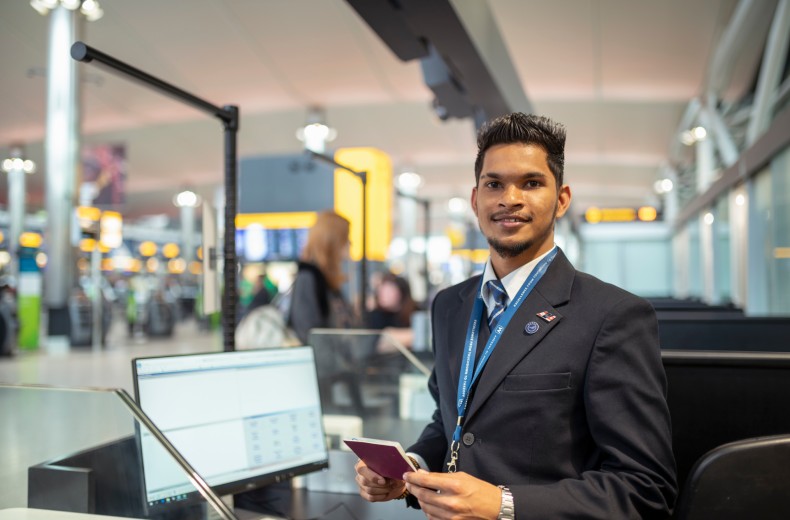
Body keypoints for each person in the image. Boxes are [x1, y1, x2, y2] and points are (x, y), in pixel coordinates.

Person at [354, 113, 677, 519]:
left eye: (531, 183)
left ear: (561, 199)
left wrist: (504, 505)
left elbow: (646, 487)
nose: (510, 198)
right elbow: (452, 421)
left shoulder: (612, 316)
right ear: (476, 200)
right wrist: (412, 468)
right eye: (494, 184)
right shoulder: (450, 305)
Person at [289, 211, 357, 344]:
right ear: (332, 241)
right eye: (346, 237)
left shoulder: (325, 280)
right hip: (326, 363)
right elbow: (310, 334)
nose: (350, 243)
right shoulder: (309, 278)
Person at [366, 272, 418, 351]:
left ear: (401, 292)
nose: (383, 294)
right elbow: (380, 341)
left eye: (389, 291)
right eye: (381, 290)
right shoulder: (376, 315)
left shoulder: (415, 312)